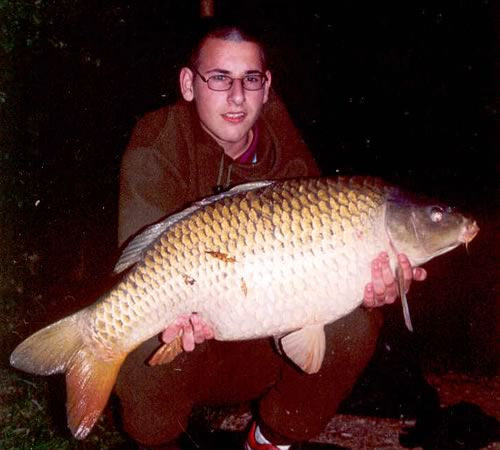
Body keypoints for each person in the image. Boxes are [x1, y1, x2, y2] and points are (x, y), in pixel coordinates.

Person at [115, 24, 427, 450]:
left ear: (267, 87)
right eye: (220, 78)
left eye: (251, 80)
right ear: (189, 84)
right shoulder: (157, 144)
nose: (237, 96)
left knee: (354, 322)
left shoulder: (290, 156)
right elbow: (139, 265)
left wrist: (364, 286)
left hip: (261, 345)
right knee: (132, 333)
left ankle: (269, 439)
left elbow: (318, 277)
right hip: (187, 344)